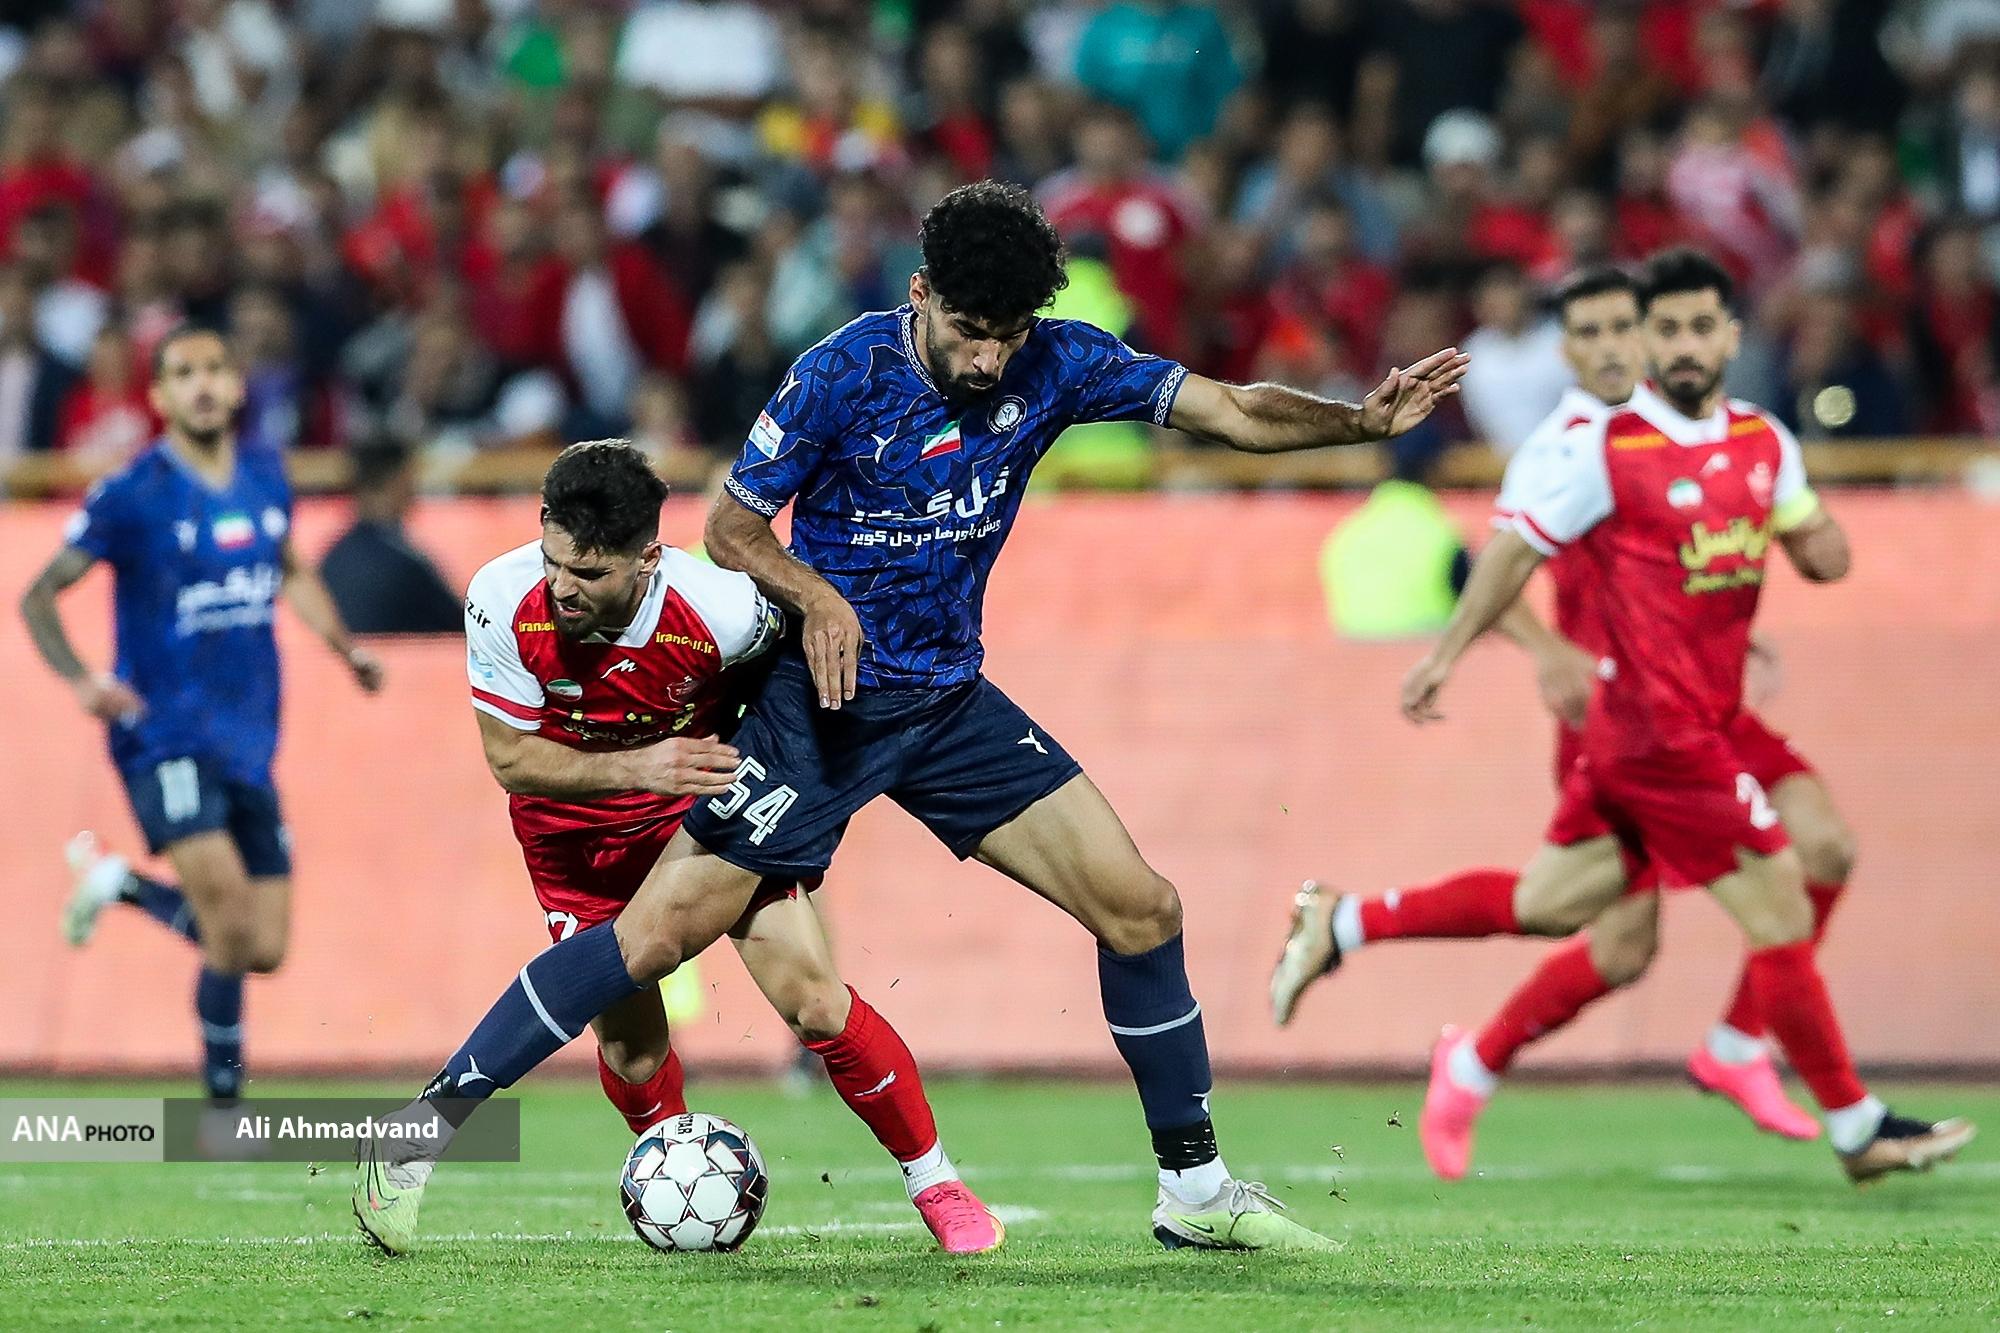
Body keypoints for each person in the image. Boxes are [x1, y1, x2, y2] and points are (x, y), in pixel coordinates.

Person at [353, 180, 1467, 1254]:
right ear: (922, 293)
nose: (989, 360)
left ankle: (1195, 1189)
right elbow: (732, 528)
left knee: (1141, 908)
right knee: (650, 942)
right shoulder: (842, 372)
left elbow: (1226, 408)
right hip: (817, 706)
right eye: (972, 331)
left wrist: (1356, 422)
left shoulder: (1059, 361)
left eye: (1009, 337)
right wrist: (820, 598)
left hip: (945, 703)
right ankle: (415, 1136)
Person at [1272, 250, 1973, 1185]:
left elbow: (1759, 549)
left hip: (1709, 709)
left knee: (1574, 902)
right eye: (1613, 331)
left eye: (1669, 328)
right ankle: (1846, 1117)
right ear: (1575, 347)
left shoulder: (1758, 438)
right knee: (1744, 905)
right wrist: (1510, 653)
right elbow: (1503, 553)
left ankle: (1363, 938)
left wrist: (1751, 593)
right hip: (1644, 723)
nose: (1626, 347)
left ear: (1727, 337)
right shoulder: (1583, 445)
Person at [378, 439, 1000, 1255]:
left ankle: (937, 1183)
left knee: (816, 1000)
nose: (562, 586)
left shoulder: (724, 610)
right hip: (576, 839)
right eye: (554, 559)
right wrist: (642, 764)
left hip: (705, 821)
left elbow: (789, 681)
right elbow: (511, 760)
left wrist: (776, 779)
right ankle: (674, 1170)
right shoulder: (501, 596)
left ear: (648, 558)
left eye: (589, 572)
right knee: (634, 1052)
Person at [19, 324, 382, 1107]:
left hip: (249, 738)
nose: (204, 384)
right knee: (228, 923)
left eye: (216, 368)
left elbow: (291, 570)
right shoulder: (132, 493)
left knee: (265, 945)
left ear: (238, 384)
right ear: (158, 395)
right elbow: (38, 594)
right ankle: (223, 1097)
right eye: (185, 373)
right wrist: (83, 680)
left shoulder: (265, 474)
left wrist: (346, 649)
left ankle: (122, 885)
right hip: (164, 735)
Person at [318, 439, 462, 635]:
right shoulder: (406, 566)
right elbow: (467, 626)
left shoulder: (331, 560)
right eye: (410, 481)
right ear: (397, 482)